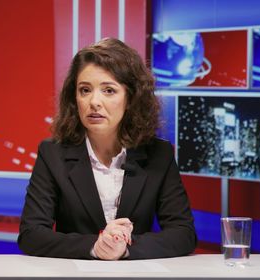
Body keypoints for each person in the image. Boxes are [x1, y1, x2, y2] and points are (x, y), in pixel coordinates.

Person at [17, 38, 197, 260]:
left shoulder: (159, 154)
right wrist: (95, 246)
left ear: (131, 98)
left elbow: (183, 234)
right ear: (75, 97)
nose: (94, 102)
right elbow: (31, 234)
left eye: (109, 91)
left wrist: (125, 247)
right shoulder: (52, 153)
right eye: (85, 90)